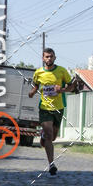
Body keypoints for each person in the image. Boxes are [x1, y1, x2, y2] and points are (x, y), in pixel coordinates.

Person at [29, 48, 74, 176]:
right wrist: (32, 92)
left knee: (52, 137)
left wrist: (62, 90)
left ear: (55, 58)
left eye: (51, 56)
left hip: (58, 108)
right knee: (49, 135)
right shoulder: (38, 73)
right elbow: (36, 85)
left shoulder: (62, 71)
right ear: (43, 58)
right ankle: (51, 164)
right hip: (44, 108)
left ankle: (43, 136)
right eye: (47, 57)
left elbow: (71, 87)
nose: (49, 59)